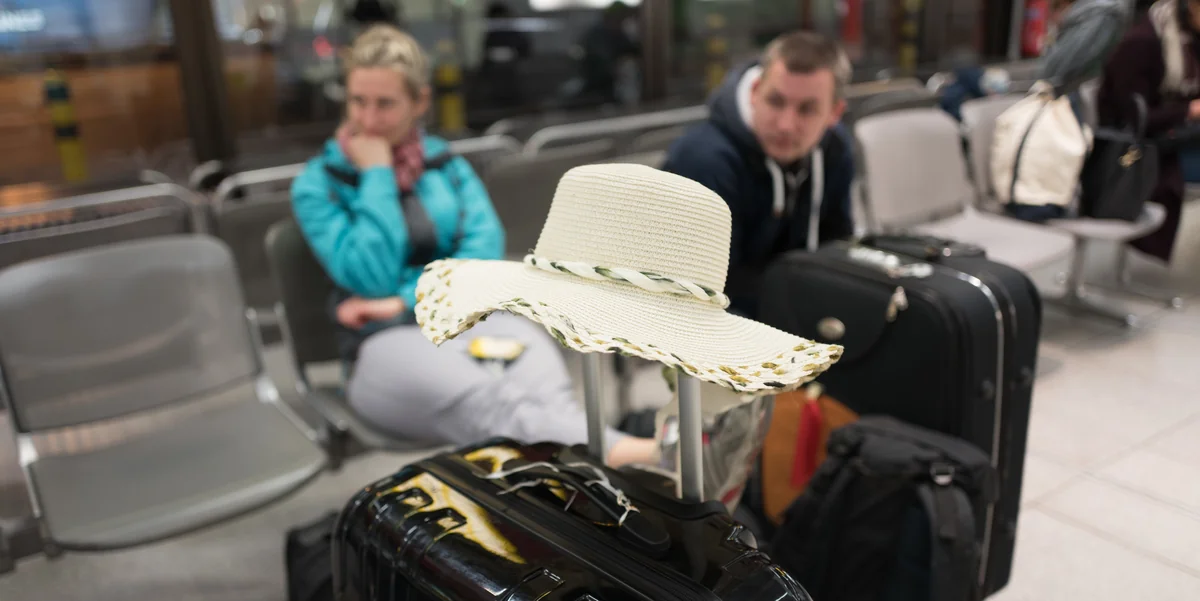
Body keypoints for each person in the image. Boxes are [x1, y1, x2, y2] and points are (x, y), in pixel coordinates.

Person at [289, 24, 659, 467]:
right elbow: (371, 277)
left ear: (419, 102)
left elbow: (481, 260)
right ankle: (647, 459)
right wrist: (377, 175)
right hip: (380, 347)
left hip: (466, 321)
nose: (368, 119)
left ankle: (596, 484)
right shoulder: (318, 185)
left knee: (545, 391)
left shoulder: (446, 167)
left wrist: (403, 301)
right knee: (493, 402)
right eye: (357, 101)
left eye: (385, 104)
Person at [661, 30, 856, 319]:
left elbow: (836, 245)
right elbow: (709, 293)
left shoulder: (835, 149)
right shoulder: (704, 161)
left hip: (791, 310)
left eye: (807, 110)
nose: (786, 124)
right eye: (775, 101)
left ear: (834, 113)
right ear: (755, 92)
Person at [1097, 0, 1200, 263]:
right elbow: (1133, 119)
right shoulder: (1142, 43)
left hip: (1174, 140)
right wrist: (1189, 110)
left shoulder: (1188, 39)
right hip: (1133, 153)